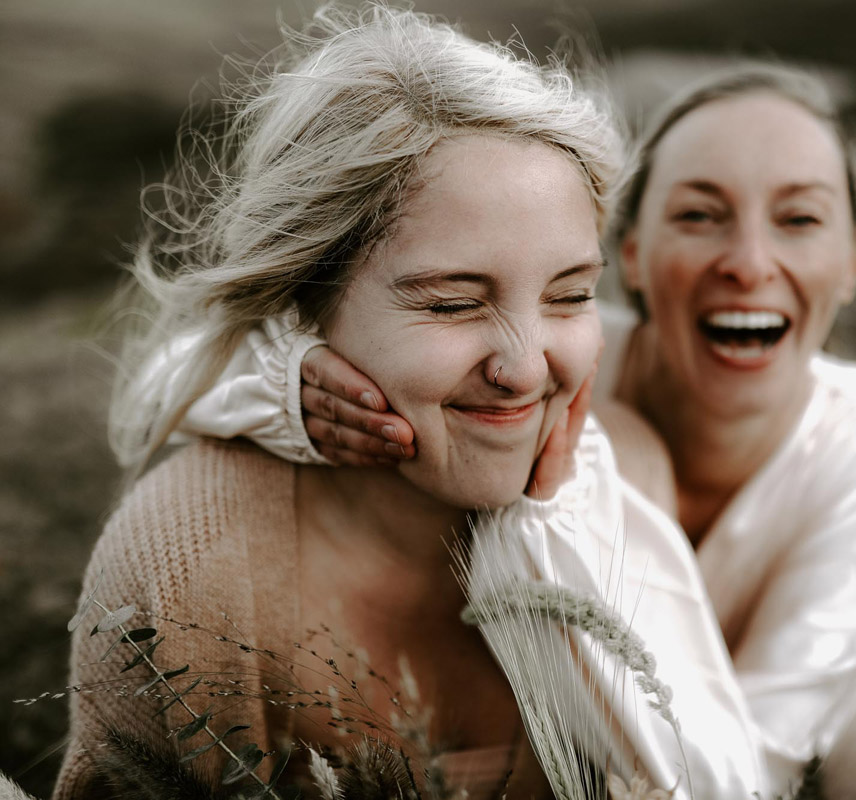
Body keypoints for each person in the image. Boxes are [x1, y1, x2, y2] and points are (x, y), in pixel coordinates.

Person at [167, 59, 856, 799]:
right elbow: (179, 373)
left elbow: (757, 766)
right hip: (530, 677)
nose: (749, 263)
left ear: (851, 262)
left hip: (754, 706)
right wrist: (289, 386)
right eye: (699, 214)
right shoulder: (534, 367)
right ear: (628, 258)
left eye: (800, 219)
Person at [55, 7, 773, 800]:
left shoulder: (628, 475)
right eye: (453, 305)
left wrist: (559, 523)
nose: (526, 368)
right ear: (307, 298)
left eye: (570, 295)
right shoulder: (189, 573)